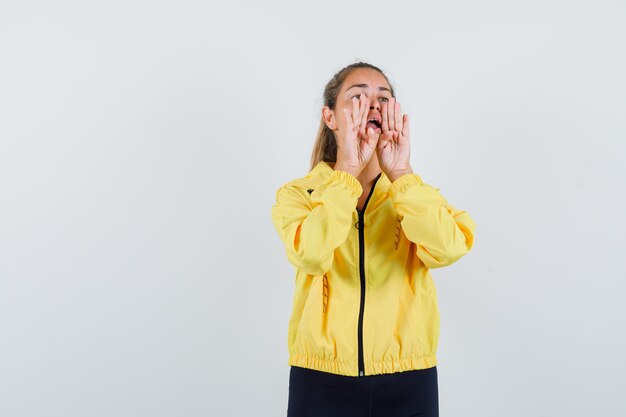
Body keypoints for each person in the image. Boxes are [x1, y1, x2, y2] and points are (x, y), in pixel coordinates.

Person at [271, 61, 476, 417]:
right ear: (331, 117)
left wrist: (402, 174)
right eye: (358, 97)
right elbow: (312, 254)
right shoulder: (298, 194)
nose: (373, 105)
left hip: (408, 377)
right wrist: (346, 174)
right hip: (320, 378)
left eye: (383, 98)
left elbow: (449, 248)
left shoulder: (411, 192)